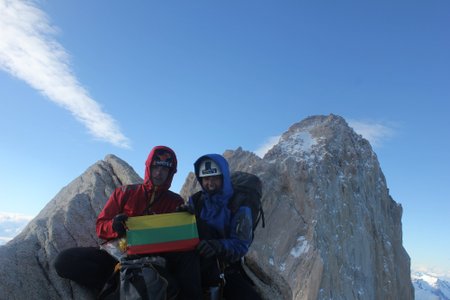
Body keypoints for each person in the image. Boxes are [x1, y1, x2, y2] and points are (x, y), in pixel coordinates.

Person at [54, 146, 202, 300]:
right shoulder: (125, 192)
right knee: (64, 261)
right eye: (155, 167)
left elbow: (178, 242)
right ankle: (120, 282)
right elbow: (100, 227)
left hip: (154, 262)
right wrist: (114, 226)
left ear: (171, 173)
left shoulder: (175, 202)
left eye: (164, 170)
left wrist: (184, 218)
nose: (159, 173)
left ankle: (129, 285)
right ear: (148, 167)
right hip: (117, 257)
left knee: (188, 259)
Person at [186, 154, 261, 300]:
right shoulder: (196, 201)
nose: (210, 183)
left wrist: (217, 246)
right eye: (206, 179)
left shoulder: (239, 203)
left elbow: (241, 244)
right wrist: (182, 216)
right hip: (196, 263)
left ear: (224, 177)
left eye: (215, 178)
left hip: (226, 266)